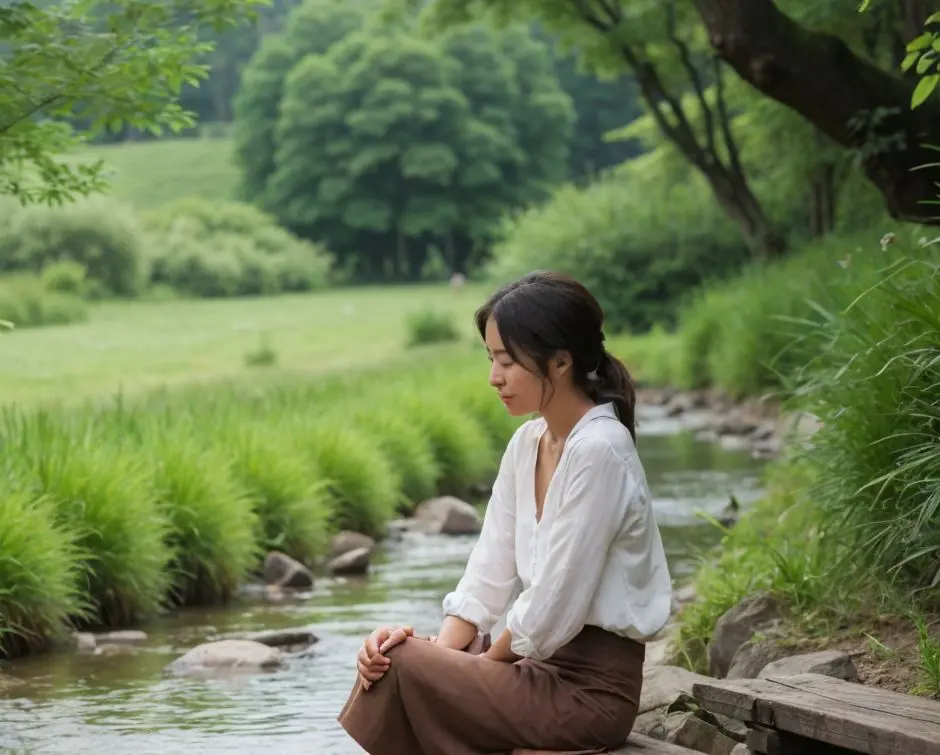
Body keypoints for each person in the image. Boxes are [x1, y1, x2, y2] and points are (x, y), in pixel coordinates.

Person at [338, 271, 673, 755]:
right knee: (396, 655)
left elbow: (553, 607)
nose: (494, 377)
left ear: (560, 362)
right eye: (491, 359)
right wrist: (444, 654)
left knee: (409, 663)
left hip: (587, 696)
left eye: (507, 361)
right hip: (531, 669)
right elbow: (488, 571)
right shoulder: (527, 443)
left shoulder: (600, 450)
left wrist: (468, 668)